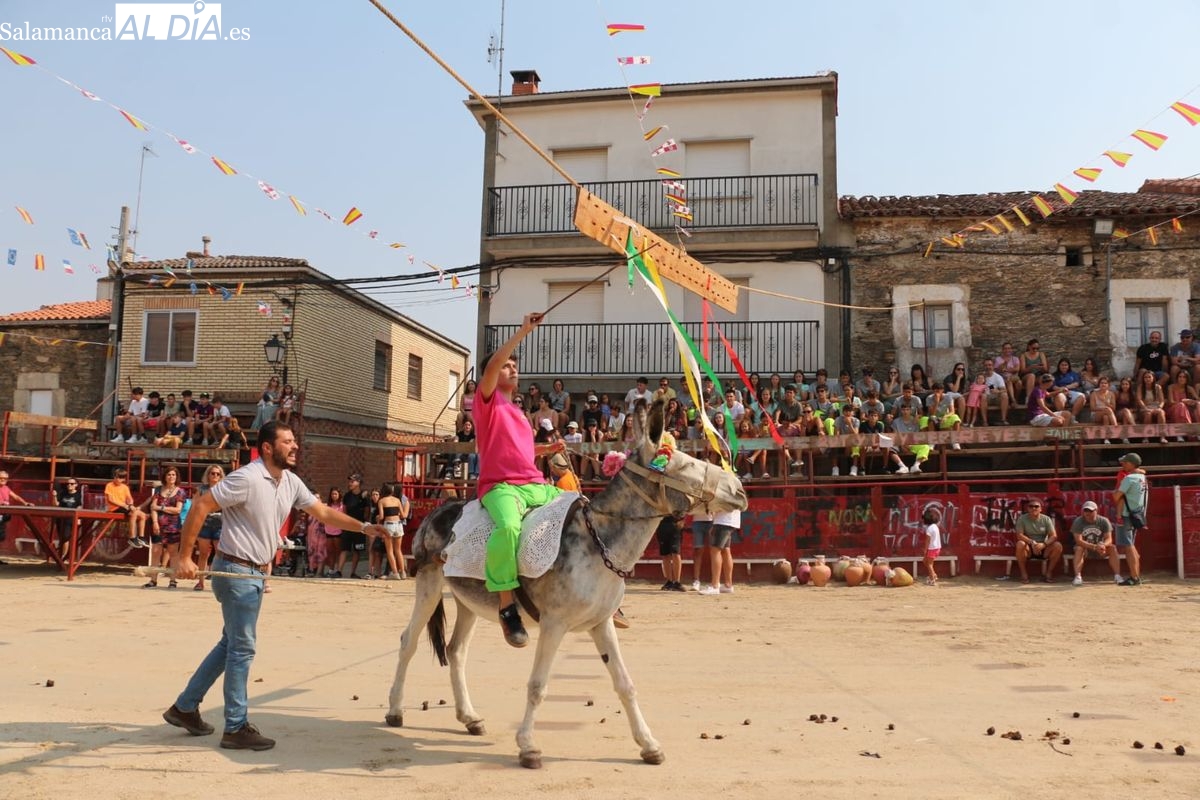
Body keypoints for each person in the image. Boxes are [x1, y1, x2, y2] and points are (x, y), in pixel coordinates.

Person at [166, 421, 385, 751]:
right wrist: (185, 557)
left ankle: (185, 707)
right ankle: (235, 727)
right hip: (237, 572)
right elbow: (201, 505)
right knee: (242, 648)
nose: (295, 446)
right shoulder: (247, 477)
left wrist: (365, 527)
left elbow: (323, 512)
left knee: (231, 644)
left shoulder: (290, 481)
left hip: (253, 574)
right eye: (287, 441)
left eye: (294, 441)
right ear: (268, 448)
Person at [476, 312, 566, 648]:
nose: (513, 369)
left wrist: (546, 449)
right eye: (506, 366)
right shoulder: (487, 401)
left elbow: (521, 451)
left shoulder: (517, 411)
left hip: (534, 484)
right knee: (509, 528)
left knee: (579, 509)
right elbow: (492, 366)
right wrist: (523, 331)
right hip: (500, 486)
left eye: (515, 366)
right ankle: (506, 606)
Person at [145, 467, 188, 589]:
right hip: (158, 525)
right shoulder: (158, 490)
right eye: (169, 474)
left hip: (173, 526)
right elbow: (152, 508)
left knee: (173, 552)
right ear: (165, 476)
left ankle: (173, 580)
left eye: (173, 475)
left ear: (176, 477)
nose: (171, 477)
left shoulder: (180, 491)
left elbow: (177, 510)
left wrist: (161, 508)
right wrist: (154, 522)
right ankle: (153, 580)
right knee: (155, 551)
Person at [1113, 452, 1148, 586]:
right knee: (1131, 545)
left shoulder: (1128, 479)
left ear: (1131, 464)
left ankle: (1134, 577)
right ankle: (1135, 575)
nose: (1123, 464)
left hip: (1126, 515)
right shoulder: (1142, 477)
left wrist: (1117, 486)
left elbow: (1116, 497)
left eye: (1125, 462)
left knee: (1129, 546)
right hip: (1137, 514)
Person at [1070, 500, 1121, 586]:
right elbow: (1078, 540)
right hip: (1085, 549)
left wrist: (1103, 545)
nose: (1087, 513)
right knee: (1079, 549)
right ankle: (1078, 577)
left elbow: (1109, 538)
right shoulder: (1078, 521)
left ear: (1096, 511)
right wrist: (1094, 547)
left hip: (1101, 548)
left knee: (1112, 548)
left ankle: (1117, 576)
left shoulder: (1104, 521)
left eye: (1090, 511)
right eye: (1085, 510)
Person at [1013, 498, 1062, 583]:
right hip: (1029, 548)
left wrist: (1043, 544)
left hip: (1043, 547)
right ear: (1028, 508)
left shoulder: (1046, 519)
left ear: (1040, 509)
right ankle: (1023, 574)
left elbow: (1054, 536)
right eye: (1031, 506)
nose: (1033, 508)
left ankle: (1049, 573)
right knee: (1020, 544)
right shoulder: (1022, 519)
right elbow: (1019, 535)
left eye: (1036, 506)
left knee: (1058, 546)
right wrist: (1032, 542)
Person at [193, 465, 225, 591]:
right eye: (213, 473)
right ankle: (200, 582)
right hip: (204, 524)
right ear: (208, 475)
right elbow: (195, 505)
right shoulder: (201, 489)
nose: (215, 476)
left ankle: (220, 583)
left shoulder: (224, 489)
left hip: (220, 525)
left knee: (220, 555)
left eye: (218, 474)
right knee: (203, 554)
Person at [697, 507, 739, 595]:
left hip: (723, 521)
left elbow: (719, 505)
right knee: (725, 550)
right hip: (729, 521)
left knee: (715, 550)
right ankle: (728, 585)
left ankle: (715, 586)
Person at [104, 467, 149, 548]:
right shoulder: (109, 485)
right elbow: (111, 500)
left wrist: (131, 505)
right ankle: (132, 537)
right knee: (134, 513)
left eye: (121, 478)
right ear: (114, 477)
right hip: (114, 508)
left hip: (124, 507)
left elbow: (129, 498)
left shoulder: (125, 487)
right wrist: (125, 505)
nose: (119, 480)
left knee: (143, 515)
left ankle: (141, 537)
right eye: (118, 477)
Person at [377, 482, 410, 580]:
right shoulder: (397, 500)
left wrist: (377, 518)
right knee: (398, 550)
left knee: (390, 551)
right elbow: (403, 515)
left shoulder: (381, 501)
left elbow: (382, 516)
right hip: (398, 524)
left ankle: (395, 573)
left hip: (389, 525)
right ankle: (403, 572)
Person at [340, 475, 368, 578]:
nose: (350, 483)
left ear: (358, 482)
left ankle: (353, 572)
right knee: (344, 548)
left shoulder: (364, 495)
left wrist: (364, 523)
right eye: (350, 481)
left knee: (357, 550)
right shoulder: (347, 496)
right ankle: (339, 571)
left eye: (352, 481)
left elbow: (367, 511)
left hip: (359, 526)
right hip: (348, 525)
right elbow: (344, 510)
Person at [51, 477, 84, 559]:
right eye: (68, 484)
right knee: (61, 537)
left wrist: (79, 517)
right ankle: (61, 555)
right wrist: (54, 496)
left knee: (66, 537)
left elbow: (79, 506)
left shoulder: (78, 494)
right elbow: (56, 505)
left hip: (70, 518)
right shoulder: (63, 493)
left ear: (76, 485)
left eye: (72, 484)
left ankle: (63, 556)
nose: (69, 485)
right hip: (61, 517)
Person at [657, 513, 685, 591]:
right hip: (662, 523)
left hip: (675, 523)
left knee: (676, 553)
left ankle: (677, 582)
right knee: (665, 554)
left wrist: (683, 519)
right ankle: (669, 581)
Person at [922, 507, 942, 586]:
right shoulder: (935, 526)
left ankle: (933, 578)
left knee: (929, 564)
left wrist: (925, 550)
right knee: (927, 562)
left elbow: (927, 540)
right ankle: (932, 576)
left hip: (932, 548)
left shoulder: (929, 529)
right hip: (937, 547)